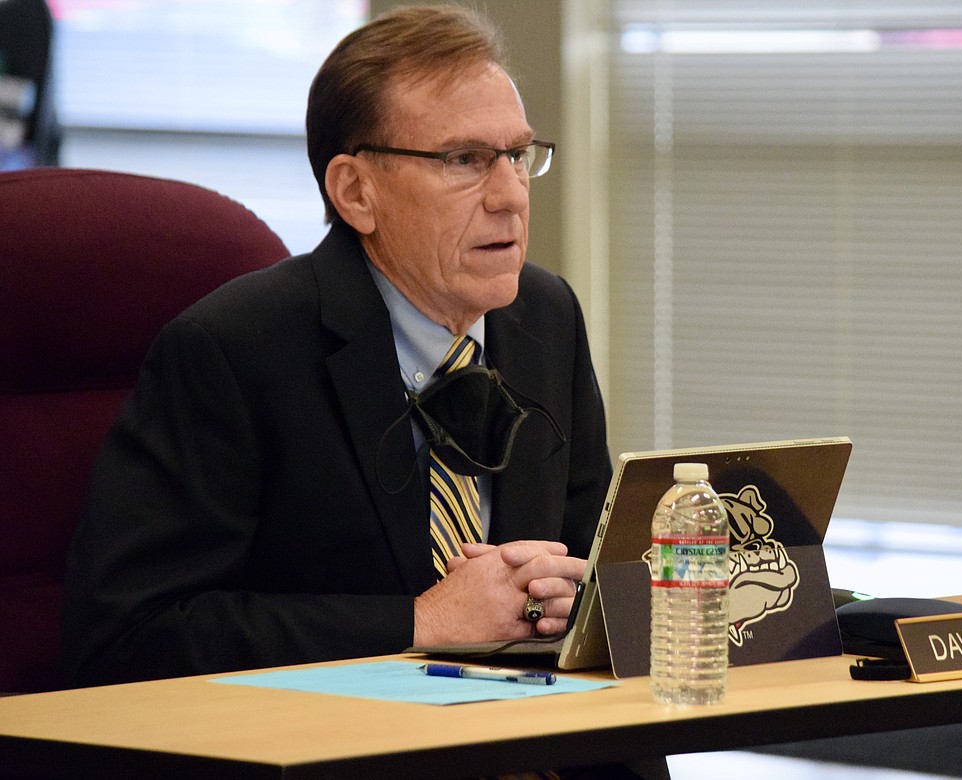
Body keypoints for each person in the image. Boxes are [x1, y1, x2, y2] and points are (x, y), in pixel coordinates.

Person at [60, 4, 611, 689]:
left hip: (534, 736)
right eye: (464, 160)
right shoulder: (232, 352)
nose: (510, 196)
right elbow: (130, 636)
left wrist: (577, 597)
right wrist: (421, 622)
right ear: (356, 192)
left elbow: (595, 557)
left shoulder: (545, 317)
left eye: (518, 155)